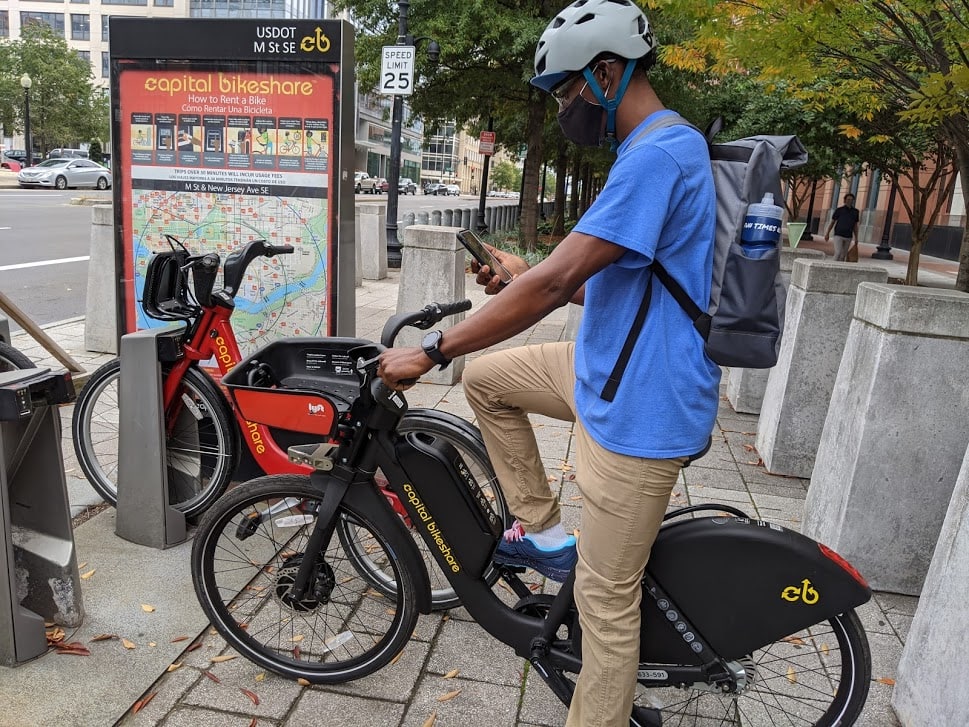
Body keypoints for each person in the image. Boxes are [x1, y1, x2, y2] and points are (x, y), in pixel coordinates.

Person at [377, 1, 719, 724]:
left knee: (605, 602)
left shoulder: (657, 154)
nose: (564, 105)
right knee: (491, 379)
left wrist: (432, 350)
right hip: (609, 371)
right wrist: (523, 270)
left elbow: (558, 285)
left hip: (641, 408)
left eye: (565, 89)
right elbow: (600, 274)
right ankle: (542, 533)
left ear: (604, 72)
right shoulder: (648, 148)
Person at [825, 193, 860, 261]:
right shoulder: (839, 210)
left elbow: (855, 226)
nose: (849, 201)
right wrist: (827, 233)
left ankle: (839, 268)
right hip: (838, 234)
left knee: (843, 255)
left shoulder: (855, 212)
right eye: (848, 199)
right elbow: (832, 222)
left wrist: (856, 238)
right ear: (844, 200)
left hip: (848, 236)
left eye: (851, 200)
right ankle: (832, 265)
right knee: (838, 253)